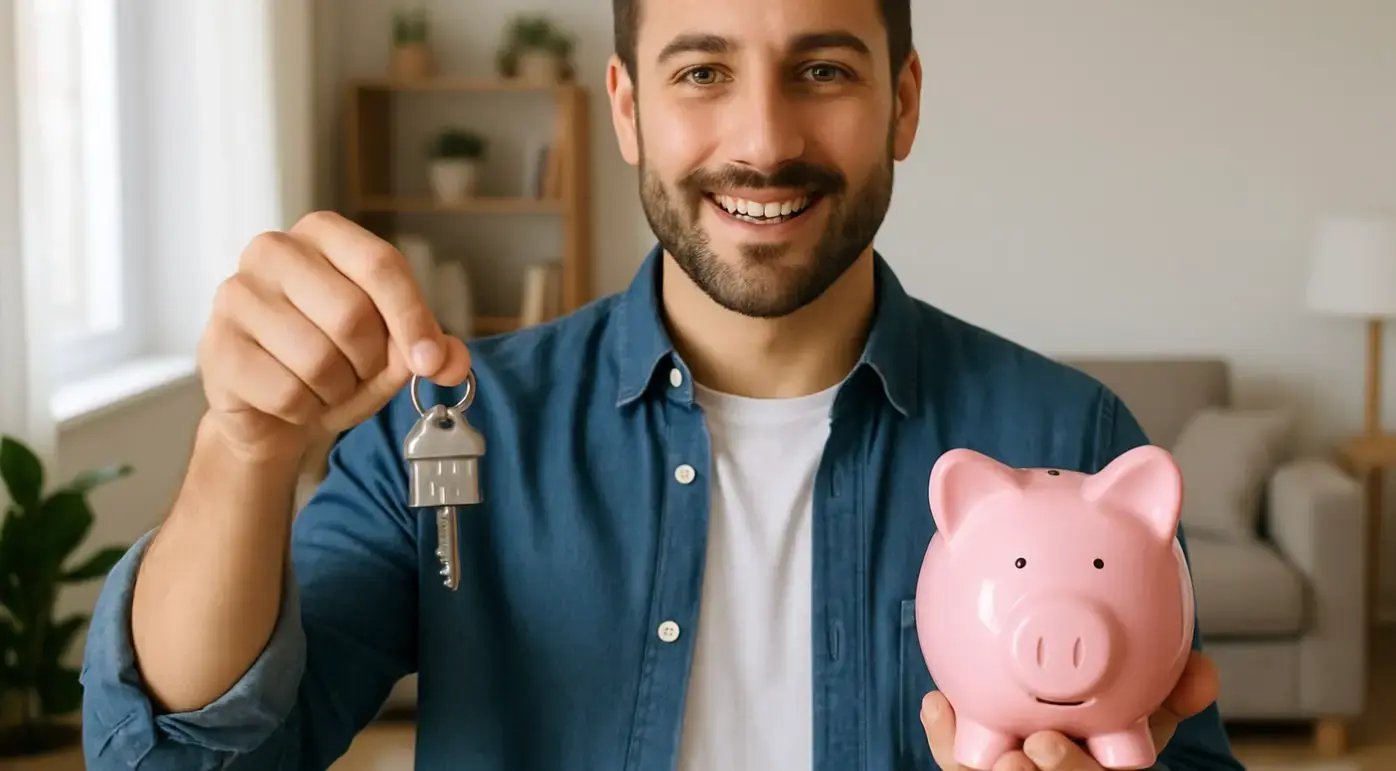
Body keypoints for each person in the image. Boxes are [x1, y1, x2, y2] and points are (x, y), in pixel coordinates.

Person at [80, 0, 1246, 769]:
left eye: (823, 70)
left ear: (902, 102)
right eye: (701, 71)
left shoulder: (1071, 439)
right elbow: (190, 756)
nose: (764, 139)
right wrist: (241, 448)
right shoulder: (458, 429)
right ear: (628, 110)